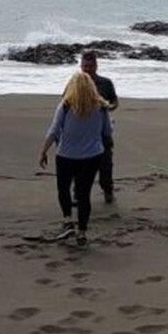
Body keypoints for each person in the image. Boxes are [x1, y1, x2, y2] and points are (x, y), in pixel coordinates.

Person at [38, 73, 112, 246]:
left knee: (63, 189)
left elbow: (54, 131)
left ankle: (67, 220)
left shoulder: (65, 105)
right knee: (84, 194)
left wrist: (43, 151)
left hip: (66, 155)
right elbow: (107, 131)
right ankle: (82, 231)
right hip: (92, 156)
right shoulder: (101, 107)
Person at [80, 51, 119, 204]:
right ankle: (79, 193)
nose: (87, 69)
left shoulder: (106, 83)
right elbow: (66, 102)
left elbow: (115, 101)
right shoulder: (76, 83)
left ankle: (108, 190)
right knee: (81, 164)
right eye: (84, 66)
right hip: (82, 130)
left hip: (102, 129)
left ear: (96, 66)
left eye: (89, 66)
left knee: (105, 164)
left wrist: (108, 107)